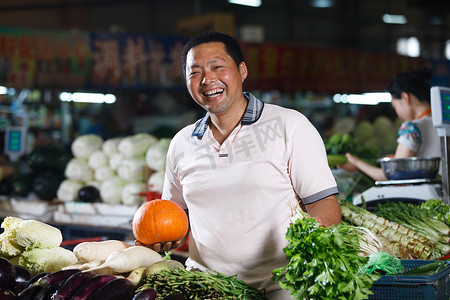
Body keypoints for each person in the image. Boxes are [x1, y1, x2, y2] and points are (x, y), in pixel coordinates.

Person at [136, 31, 341, 299]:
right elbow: (176, 217)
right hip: (205, 288)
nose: (208, 79)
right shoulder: (182, 143)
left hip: (282, 288)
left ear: (242, 70)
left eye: (218, 67)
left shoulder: (289, 125)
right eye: (194, 72)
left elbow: (323, 203)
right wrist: (165, 239)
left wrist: (313, 248)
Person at [341, 67, 441, 181]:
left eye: (395, 107)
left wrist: (355, 162)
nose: (398, 115)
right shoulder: (442, 122)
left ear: (405, 97)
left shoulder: (412, 128)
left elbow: (392, 174)